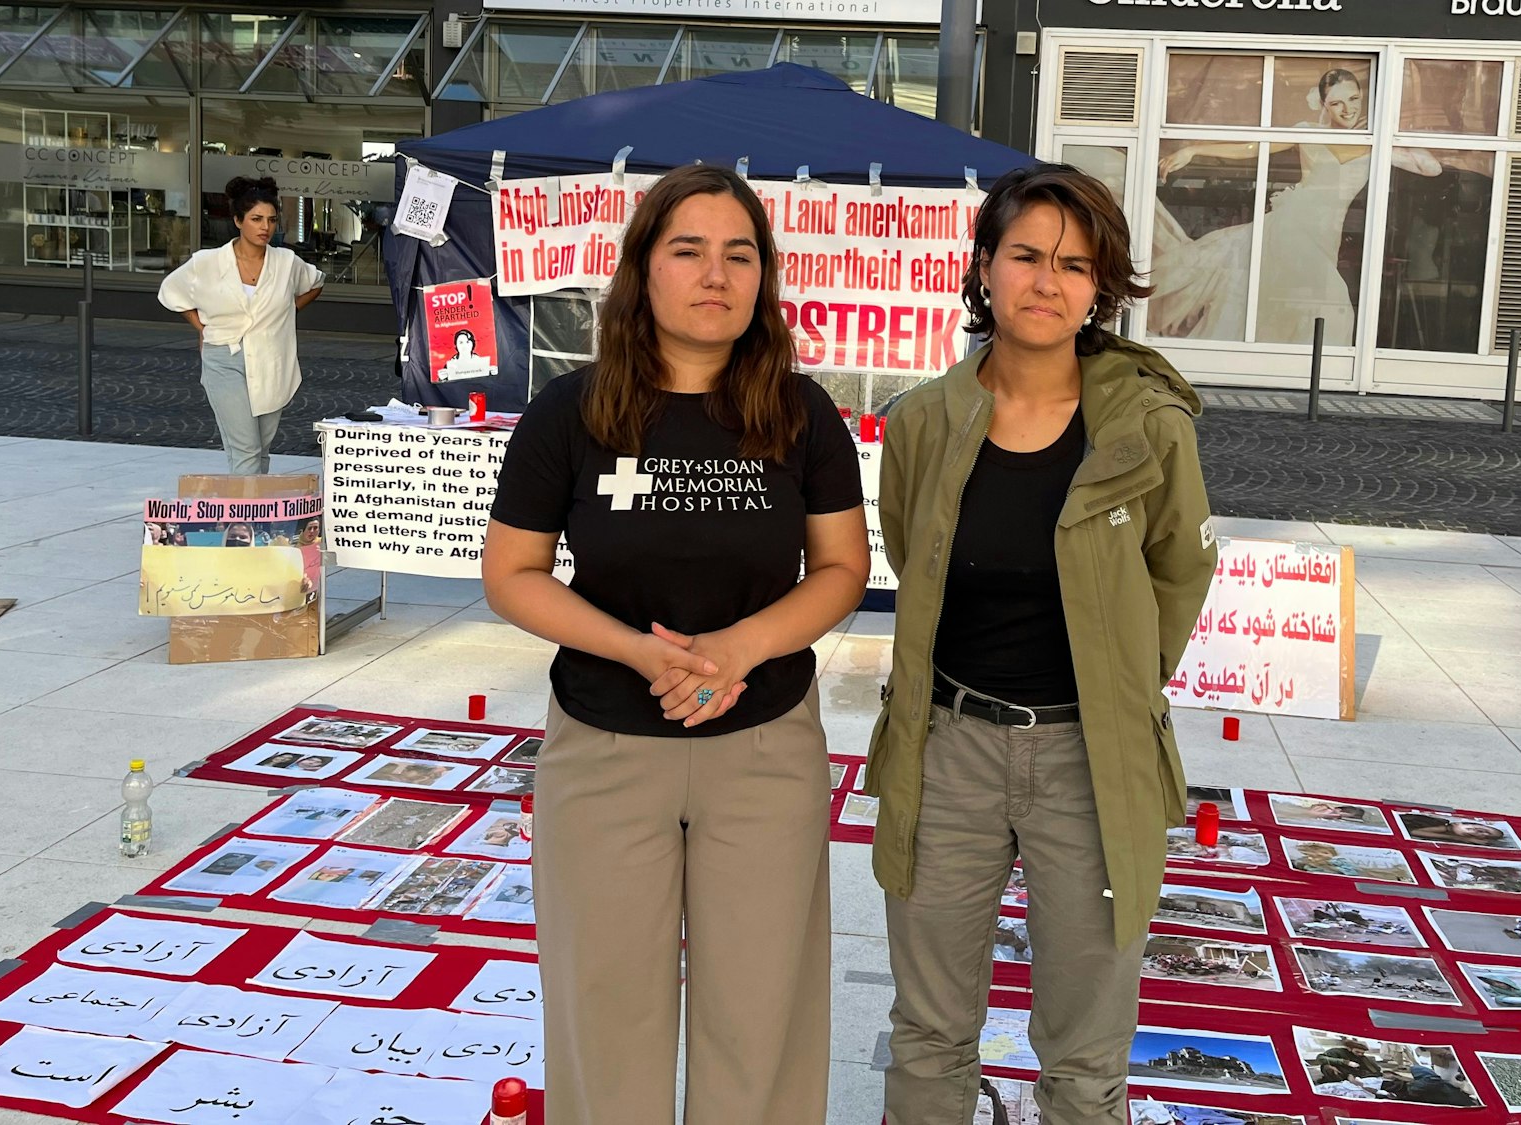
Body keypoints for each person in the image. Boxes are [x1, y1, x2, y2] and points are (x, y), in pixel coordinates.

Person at [480, 164, 869, 1125]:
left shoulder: (803, 412)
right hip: (606, 743)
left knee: (762, 1010)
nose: (716, 274)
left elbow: (841, 568)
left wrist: (738, 648)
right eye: (688, 249)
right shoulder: (568, 414)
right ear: (641, 270)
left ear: (764, 278)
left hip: (765, 743)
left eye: (740, 254)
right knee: (603, 1004)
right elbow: (513, 574)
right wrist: (640, 652)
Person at [868, 163, 1217, 1123]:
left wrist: (1117, 691)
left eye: (1075, 263)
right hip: (950, 750)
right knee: (931, 1029)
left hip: (1088, 758)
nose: (1047, 281)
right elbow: (911, 553)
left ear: (1101, 286)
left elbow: (1176, 576)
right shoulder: (923, 422)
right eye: (1025, 256)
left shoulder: (1149, 427)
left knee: (1087, 1048)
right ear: (983, 268)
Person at [1150, 67, 1444, 343]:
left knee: (1284, 302)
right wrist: (1194, 149)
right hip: (1292, 226)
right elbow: (1254, 147)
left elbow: (1431, 168)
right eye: (1337, 103)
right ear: (1324, 105)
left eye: (1353, 99)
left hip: (1325, 237)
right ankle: (1321, 373)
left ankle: (1281, 367)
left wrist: (1389, 129)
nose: (1348, 109)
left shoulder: (1373, 141)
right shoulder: (1307, 131)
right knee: (1335, 304)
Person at [157, 175, 325, 475]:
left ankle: (251, 515)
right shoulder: (207, 262)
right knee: (246, 449)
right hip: (224, 357)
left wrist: (287, 311)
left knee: (260, 449)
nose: (265, 227)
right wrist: (202, 327)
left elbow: (315, 283)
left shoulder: (286, 262)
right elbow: (172, 293)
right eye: (256, 219)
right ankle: (245, 519)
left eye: (272, 220)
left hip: (272, 359)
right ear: (237, 220)